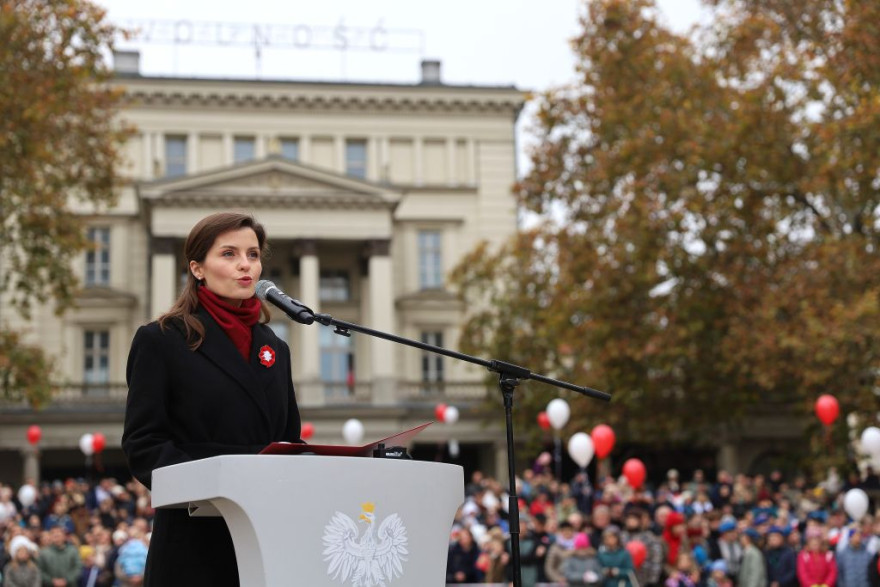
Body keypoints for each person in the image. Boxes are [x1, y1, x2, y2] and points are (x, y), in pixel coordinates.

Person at [122, 212, 303, 586]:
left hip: (265, 540)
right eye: (229, 254)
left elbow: (289, 440)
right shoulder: (161, 340)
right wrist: (223, 483)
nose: (245, 265)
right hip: (194, 542)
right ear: (197, 269)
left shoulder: (276, 348)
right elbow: (144, 446)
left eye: (253, 255)